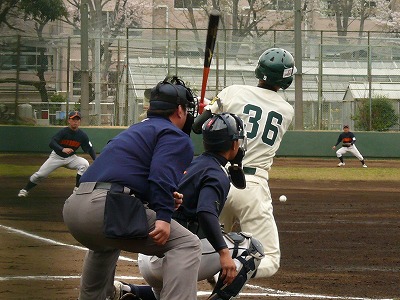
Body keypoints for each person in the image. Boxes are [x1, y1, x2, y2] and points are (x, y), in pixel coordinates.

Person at [62, 76, 202, 300]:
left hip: (75, 209)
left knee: (106, 243)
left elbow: (129, 176)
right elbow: (161, 177)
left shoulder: (133, 130)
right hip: (106, 208)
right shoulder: (174, 135)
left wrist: (162, 199)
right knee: (186, 244)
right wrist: (164, 216)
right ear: (179, 110)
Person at [113, 113, 264, 300]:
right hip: (174, 256)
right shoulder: (216, 173)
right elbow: (205, 212)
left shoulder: (192, 163)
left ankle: (131, 292)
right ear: (233, 144)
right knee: (251, 247)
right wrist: (223, 253)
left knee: (169, 291)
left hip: (149, 255)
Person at [192, 48, 296, 278]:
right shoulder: (286, 110)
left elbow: (198, 126)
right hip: (253, 186)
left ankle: (217, 275)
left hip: (217, 180)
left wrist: (210, 107)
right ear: (285, 79)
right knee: (269, 260)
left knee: (209, 250)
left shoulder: (233, 92)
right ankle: (237, 271)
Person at [17, 111, 96, 197]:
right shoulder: (63, 132)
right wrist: (62, 149)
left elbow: (90, 148)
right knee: (40, 175)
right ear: (69, 120)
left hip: (71, 158)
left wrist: (96, 161)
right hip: (56, 157)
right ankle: (25, 189)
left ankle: (77, 189)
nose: (75, 121)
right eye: (73, 119)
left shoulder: (82, 135)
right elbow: (52, 143)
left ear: (80, 121)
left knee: (84, 163)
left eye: (77, 119)